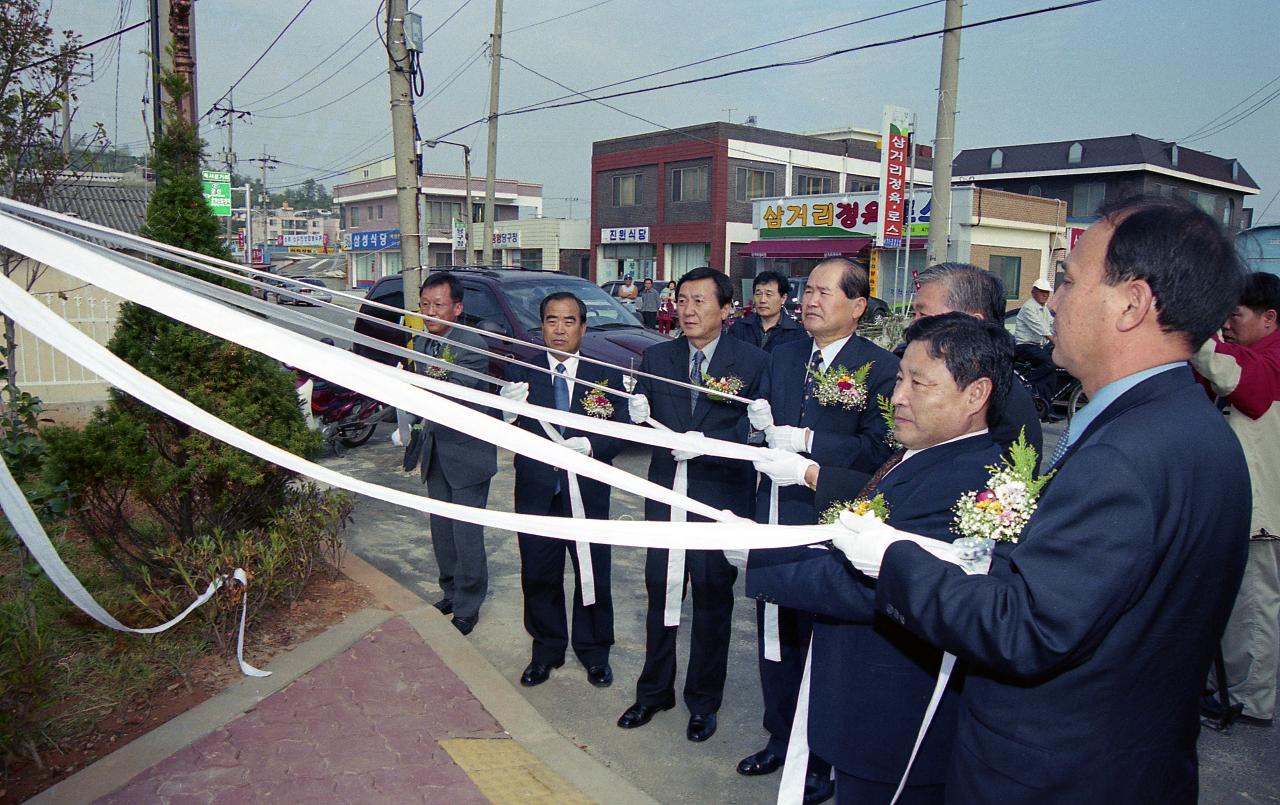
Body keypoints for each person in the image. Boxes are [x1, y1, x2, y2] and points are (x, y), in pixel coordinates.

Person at [840, 195, 1251, 802]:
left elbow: (1025, 629)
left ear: (1132, 304)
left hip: (1053, 775)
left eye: (1067, 280)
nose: (1052, 300)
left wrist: (892, 558)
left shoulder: (1127, 454)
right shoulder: (1192, 427)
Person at [749, 313, 1012, 804]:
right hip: (866, 708)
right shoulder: (927, 453)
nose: (898, 398)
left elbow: (869, 586)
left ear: (976, 395)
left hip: (895, 721)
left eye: (919, 383)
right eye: (899, 380)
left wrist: (761, 555)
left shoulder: (969, 479)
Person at [741, 257, 898, 804]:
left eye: (824, 292)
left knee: (824, 644)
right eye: (807, 291)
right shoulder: (781, 356)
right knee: (774, 637)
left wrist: (809, 441)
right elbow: (757, 429)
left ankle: (824, 758)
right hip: (774, 517)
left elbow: (882, 450)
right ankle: (780, 738)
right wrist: (757, 427)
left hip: (831, 525)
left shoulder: (879, 367)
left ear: (857, 306)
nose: (809, 300)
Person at [617, 266, 769, 743]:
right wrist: (634, 415)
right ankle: (653, 690)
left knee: (711, 600)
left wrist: (717, 441)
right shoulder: (656, 357)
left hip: (720, 497)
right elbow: (641, 424)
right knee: (661, 592)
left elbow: (759, 430)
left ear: (726, 309)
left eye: (701, 301)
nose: (688, 310)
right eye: (682, 300)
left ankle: (703, 702)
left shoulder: (752, 362)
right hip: (666, 495)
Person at [499, 292, 629, 689]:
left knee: (592, 573)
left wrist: (592, 446)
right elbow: (503, 426)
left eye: (569, 321)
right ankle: (546, 650)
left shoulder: (604, 375)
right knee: (539, 573)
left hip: (588, 492)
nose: (559, 329)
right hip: (538, 490)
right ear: (542, 327)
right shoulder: (521, 373)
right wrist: (506, 412)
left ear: (583, 328)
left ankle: (594, 652)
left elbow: (622, 428)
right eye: (552, 321)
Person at [1193, 271, 1280, 725]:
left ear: (1269, 319)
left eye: (1235, 315)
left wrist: (1195, 335)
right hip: (1245, 506)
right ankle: (1230, 689)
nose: (1228, 323)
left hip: (1264, 513)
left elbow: (1243, 383)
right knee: (1236, 607)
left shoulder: (1272, 359)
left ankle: (1251, 699)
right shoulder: (1251, 354)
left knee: (1254, 608)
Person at [402, 272, 496, 636]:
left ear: (457, 308)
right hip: (436, 449)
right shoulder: (424, 342)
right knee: (441, 531)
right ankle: (451, 591)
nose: (430, 312)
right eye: (425, 305)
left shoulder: (471, 343)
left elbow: (453, 393)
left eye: (438, 305)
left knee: (466, 535)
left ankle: (469, 604)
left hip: (467, 455)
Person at [911, 262, 1043, 467]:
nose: (914, 325)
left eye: (924, 316)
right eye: (914, 315)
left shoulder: (1002, 403)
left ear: (972, 323)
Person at [727, 270, 807, 353]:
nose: (762, 300)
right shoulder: (740, 328)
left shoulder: (797, 334)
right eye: (758, 294)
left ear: (783, 298)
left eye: (768, 295)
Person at [1012, 277, 1059, 415]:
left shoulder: (1043, 309)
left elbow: (1052, 324)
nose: (1045, 295)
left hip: (1038, 346)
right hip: (1025, 346)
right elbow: (1042, 329)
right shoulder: (1029, 308)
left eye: (1047, 292)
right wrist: (1057, 342)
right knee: (1049, 363)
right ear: (1033, 292)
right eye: (1042, 292)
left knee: (1052, 372)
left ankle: (1046, 407)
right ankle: (1030, 386)